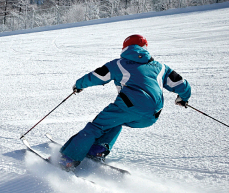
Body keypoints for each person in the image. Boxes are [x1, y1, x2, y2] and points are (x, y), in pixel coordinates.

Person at [57, 34, 191, 170]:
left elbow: (97, 76)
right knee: (115, 122)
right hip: (153, 114)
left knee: (97, 126)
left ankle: (68, 159)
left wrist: (79, 85)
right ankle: (97, 150)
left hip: (129, 106)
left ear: (125, 48)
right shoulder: (161, 67)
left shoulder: (119, 64)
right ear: (145, 48)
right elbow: (182, 84)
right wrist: (183, 98)